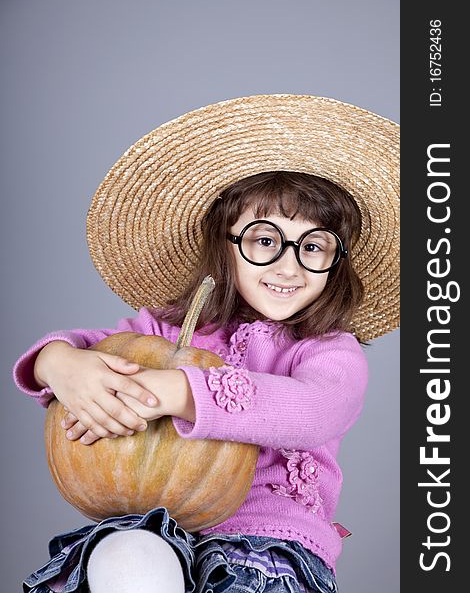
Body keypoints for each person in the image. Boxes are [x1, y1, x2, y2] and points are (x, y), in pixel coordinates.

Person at [13, 94, 399, 593]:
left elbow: (314, 410)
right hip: (150, 519)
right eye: (265, 240)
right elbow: (99, 346)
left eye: (313, 246)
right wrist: (58, 363)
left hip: (267, 544)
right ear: (225, 243)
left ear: (336, 262)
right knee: (124, 556)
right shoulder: (169, 330)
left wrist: (179, 391)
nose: (289, 265)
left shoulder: (326, 350)